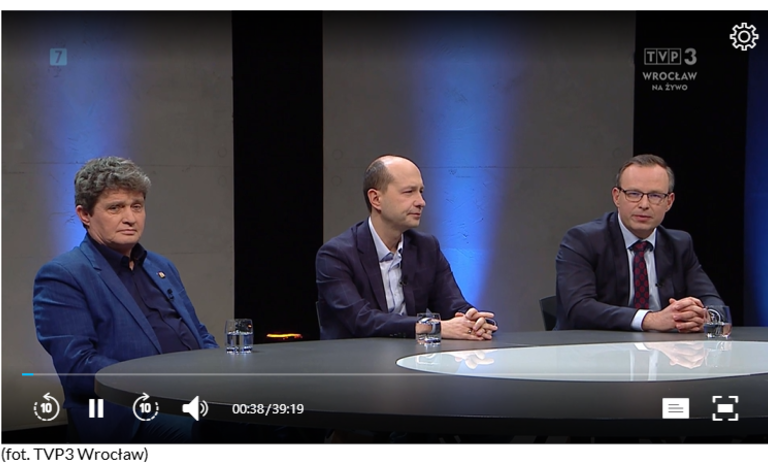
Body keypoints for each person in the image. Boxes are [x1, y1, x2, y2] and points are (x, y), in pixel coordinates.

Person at [33, 157, 218, 443]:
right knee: (206, 430)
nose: (130, 218)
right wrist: (164, 383)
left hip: (194, 394)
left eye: (137, 206)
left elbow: (199, 333)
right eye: (115, 207)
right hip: (128, 411)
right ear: (85, 214)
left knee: (271, 417)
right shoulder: (64, 275)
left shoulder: (161, 266)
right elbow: (78, 366)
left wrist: (220, 371)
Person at [316, 154, 498, 340]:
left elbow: (452, 305)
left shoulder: (427, 248)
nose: (421, 202)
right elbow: (361, 320)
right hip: (354, 356)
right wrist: (432, 327)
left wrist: (473, 321)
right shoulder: (336, 255)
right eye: (409, 192)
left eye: (421, 191)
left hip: (411, 355)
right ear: (376, 199)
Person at [555, 154, 725, 332]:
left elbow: (713, 302)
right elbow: (579, 308)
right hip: (595, 346)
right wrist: (650, 319)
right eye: (634, 194)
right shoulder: (583, 240)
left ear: (669, 202)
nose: (644, 204)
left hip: (664, 347)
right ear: (617, 197)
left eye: (655, 195)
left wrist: (704, 317)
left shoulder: (679, 244)